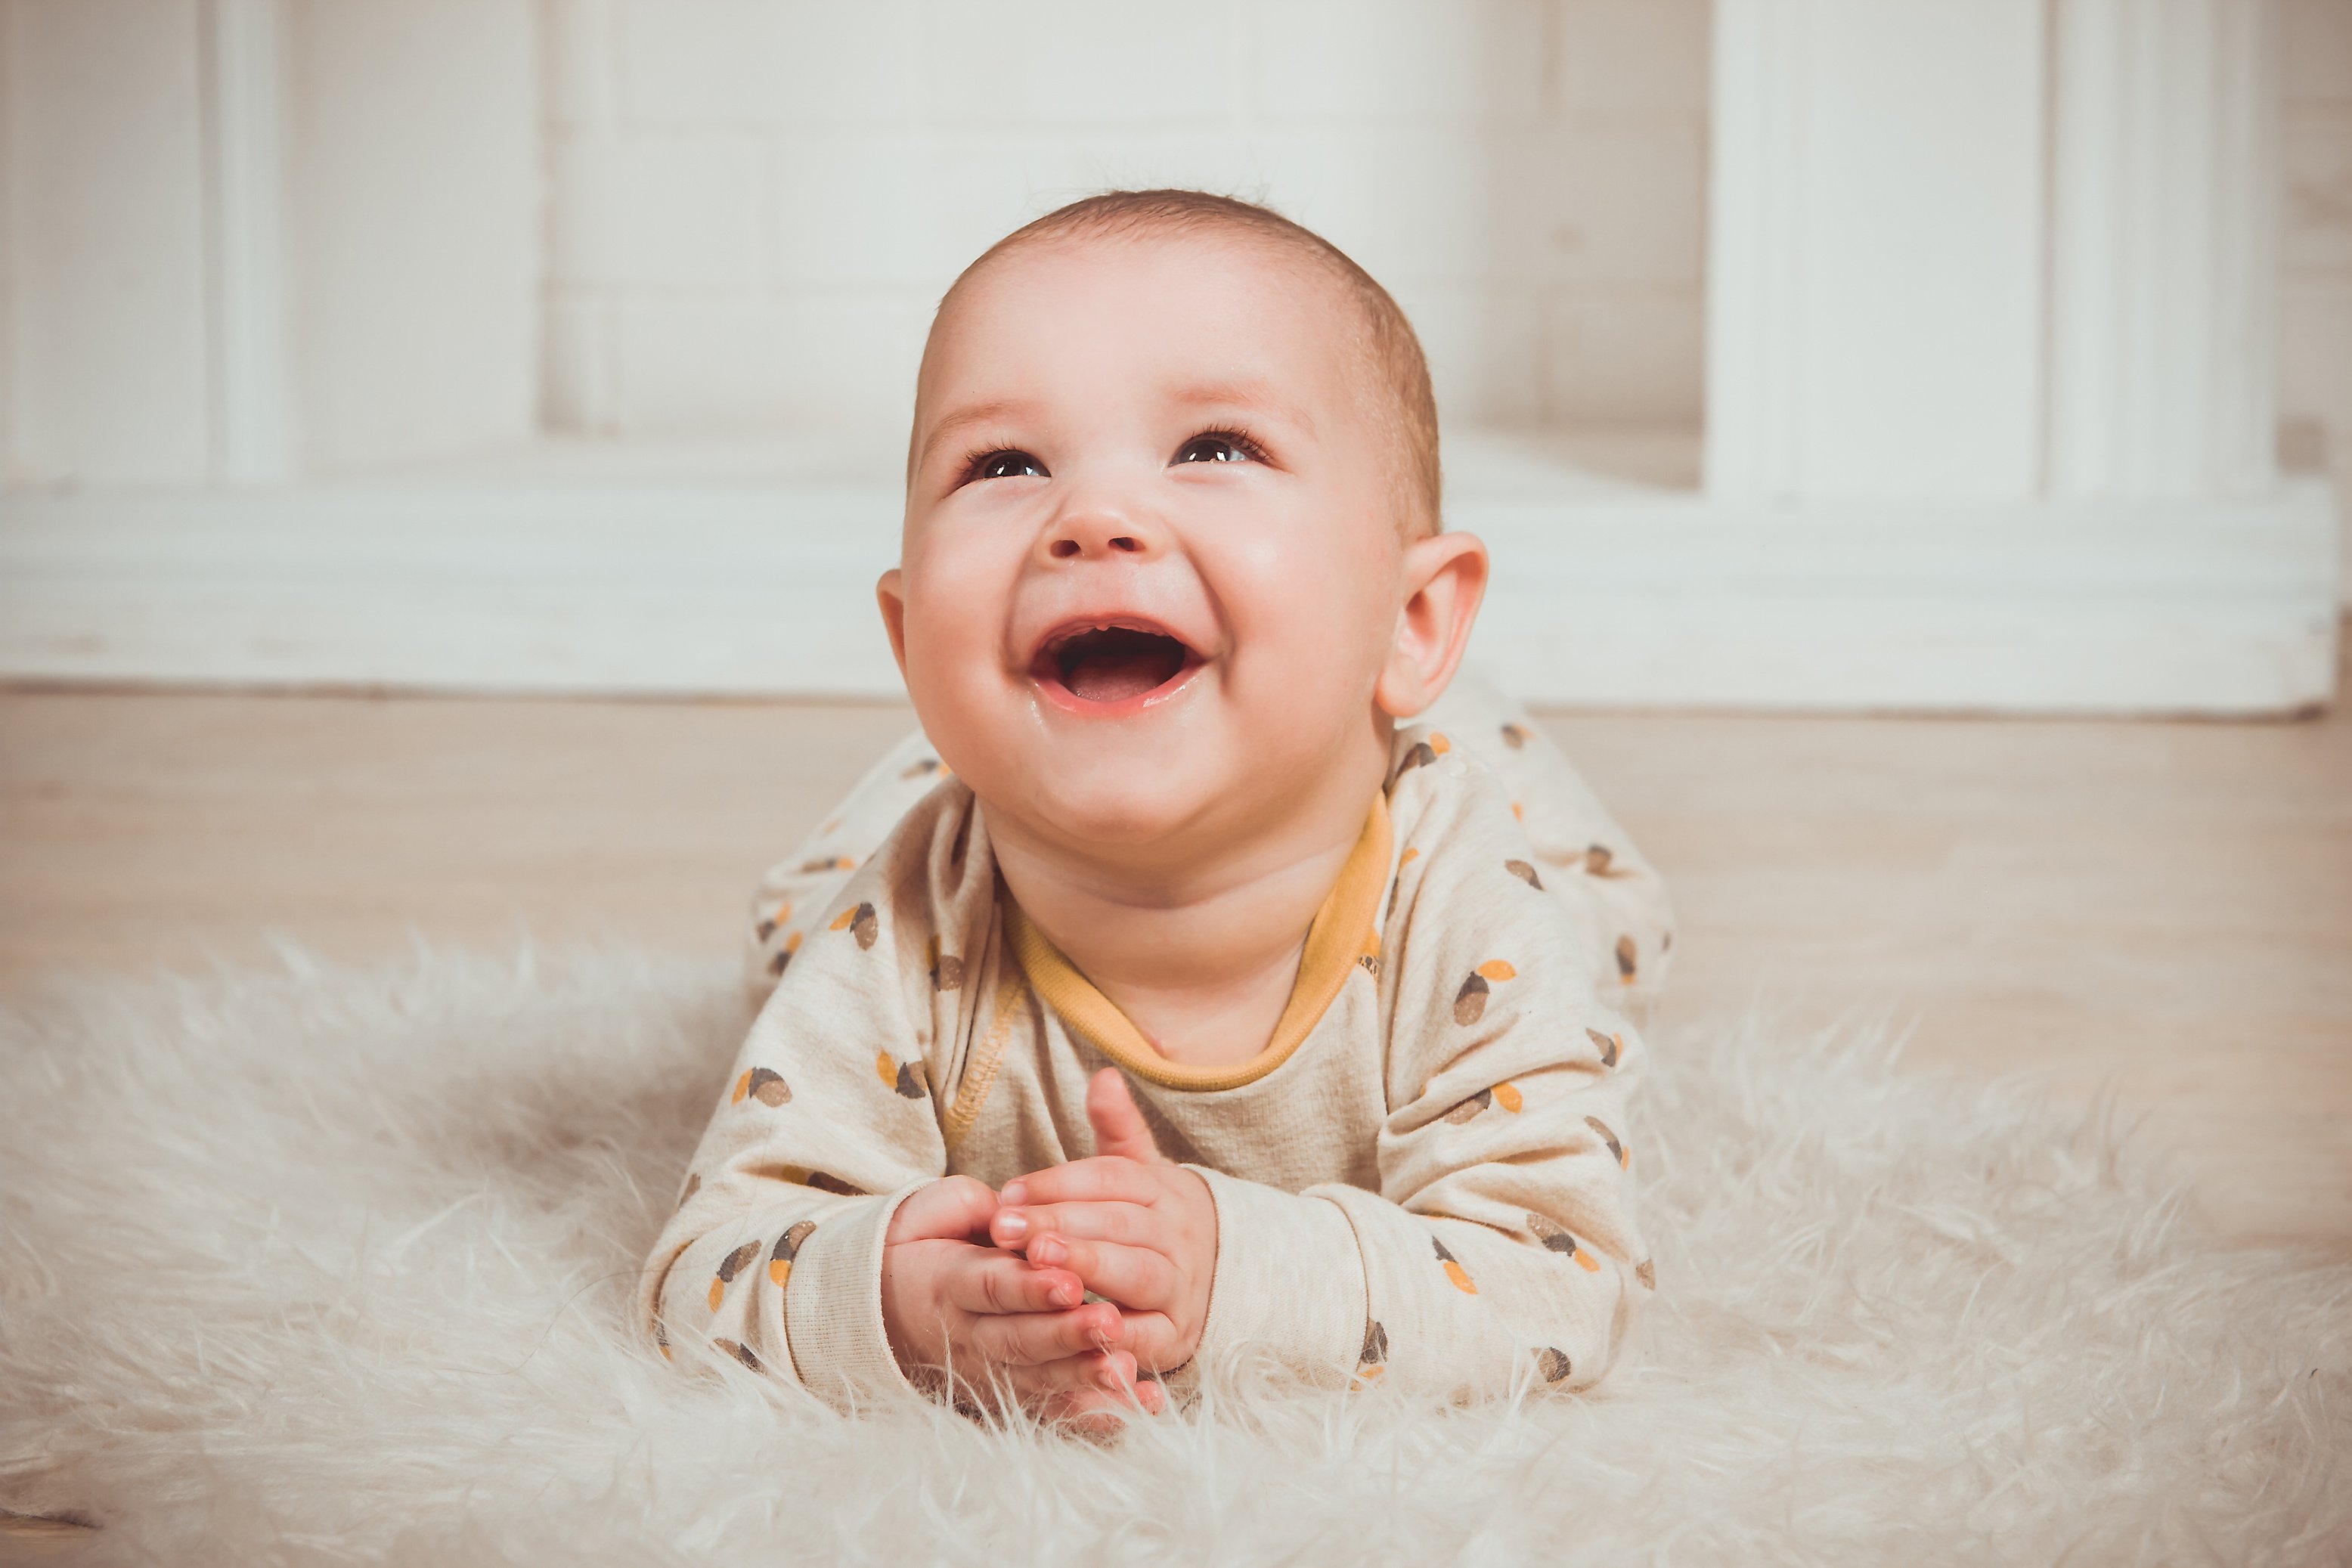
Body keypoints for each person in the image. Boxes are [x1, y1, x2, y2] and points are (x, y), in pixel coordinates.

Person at [640, 191, 1674, 1424]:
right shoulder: (909, 928)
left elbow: (1561, 1283)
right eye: (1004, 465)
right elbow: (707, 1271)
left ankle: (1433, 695)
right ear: (911, 640)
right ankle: (988, 732)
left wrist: (1234, 1266)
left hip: (1462, 790)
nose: (1093, 519)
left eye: (1214, 449)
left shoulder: (1467, 902)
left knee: (1610, 936)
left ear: (1413, 617)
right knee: (793, 929)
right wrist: (896, 1303)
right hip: (977, 769)